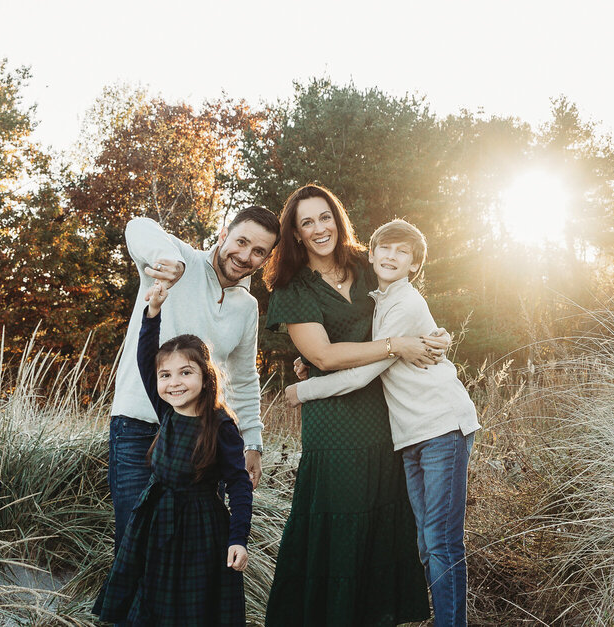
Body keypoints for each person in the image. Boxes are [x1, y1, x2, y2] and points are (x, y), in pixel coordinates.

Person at [262, 184, 444, 627]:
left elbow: (406, 304)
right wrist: (393, 345)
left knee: (382, 519)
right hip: (333, 417)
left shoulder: (366, 264)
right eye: (307, 222)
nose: (319, 228)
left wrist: (433, 335)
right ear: (296, 234)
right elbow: (322, 356)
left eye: (325, 217)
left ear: (337, 218)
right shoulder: (292, 286)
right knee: (339, 519)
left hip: (385, 410)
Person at [289, 218, 480, 627]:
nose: (391, 256)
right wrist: (310, 363)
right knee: (426, 544)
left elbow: (363, 372)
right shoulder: (381, 299)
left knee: (442, 542)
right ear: (371, 254)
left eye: (402, 252)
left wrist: (303, 392)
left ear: (415, 265)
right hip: (411, 435)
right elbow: (359, 348)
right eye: (385, 249)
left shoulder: (405, 301)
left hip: (442, 427)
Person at [107, 208, 278, 561]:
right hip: (139, 429)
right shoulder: (181, 258)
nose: (245, 256)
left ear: (266, 258)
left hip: (200, 438)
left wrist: (253, 444)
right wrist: (167, 261)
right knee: (133, 547)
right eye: (241, 242)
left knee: (187, 554)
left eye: (258, 251)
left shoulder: (247, 307)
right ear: (223, 234)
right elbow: (137, 227)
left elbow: (244, 379)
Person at [93, 281, 253, 626]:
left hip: (200, 528)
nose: (174, 382)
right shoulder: (165, 410)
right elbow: (144, 354)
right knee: (151, 591)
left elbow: (239, 484)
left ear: (205, 377)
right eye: (165, 375)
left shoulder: (220, 424)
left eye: (185, 372)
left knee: (192, 604)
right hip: (155, 518)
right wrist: (153, 312)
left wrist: (238, 538)